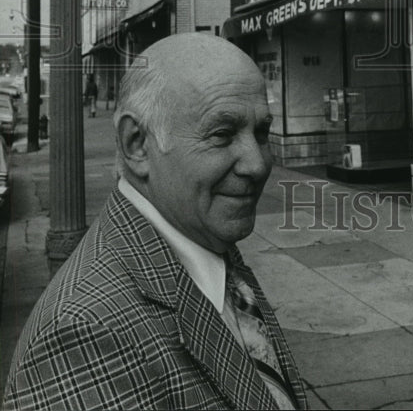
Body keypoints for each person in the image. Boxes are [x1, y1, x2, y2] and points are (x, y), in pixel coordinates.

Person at [4, 34, 308, 410]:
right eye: (222, 134)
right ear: (136, 145)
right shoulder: (85, 332)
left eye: (260, 133)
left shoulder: (201, 241)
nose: (257, 163)